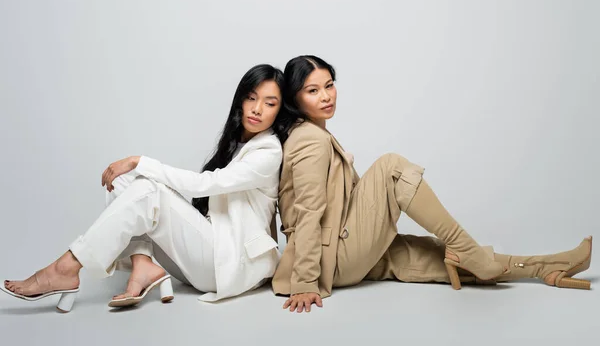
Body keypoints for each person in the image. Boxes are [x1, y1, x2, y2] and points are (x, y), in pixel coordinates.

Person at [271, 55, 592, 313]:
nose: (326, 96)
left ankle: (544, 268)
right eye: (313, 91)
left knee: (440, 255)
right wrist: (305, 283)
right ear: (295, 99)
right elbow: (309, 212)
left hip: (343, 247)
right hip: (332, 260)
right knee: (391, 167)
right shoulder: (310, 140)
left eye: (329, 85)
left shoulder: (313, 133)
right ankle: (473, 254)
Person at [2, 64, 288, 312]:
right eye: (251, 98)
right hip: (207, 253)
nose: (257, 108)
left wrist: (140, 161)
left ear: (280, 109)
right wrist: (137, 169)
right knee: (122, 181)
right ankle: (143, 265)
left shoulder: (268, 151)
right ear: (240, 99)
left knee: (147, 187)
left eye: (269, 102)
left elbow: (206, 185)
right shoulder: (237, 141)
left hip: (229, 264)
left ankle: (65, 268)